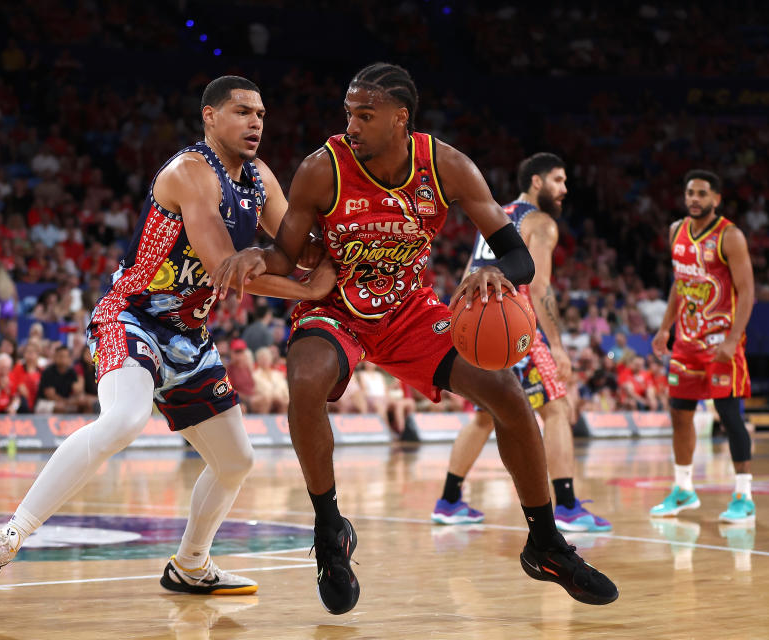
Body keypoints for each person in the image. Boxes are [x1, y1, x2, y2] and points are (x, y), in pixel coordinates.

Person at [213, 63, 617, 613]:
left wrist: (496, 271)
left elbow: (517, 253)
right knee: (304, 382)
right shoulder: (321, 168)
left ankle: (545, 543)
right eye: (348, 113)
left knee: (508, 394)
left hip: (411, 313)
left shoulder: (446, 166)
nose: (351, 125)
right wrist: (254, 255)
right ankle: (330, 531)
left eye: (365, 114)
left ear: (400, 118)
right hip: (339, 307)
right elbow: (284, 256)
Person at [0, 76, 335, 597]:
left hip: (189, 336)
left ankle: (190, 566)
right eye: (242, 111)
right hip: (130, 316)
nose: (255, 123)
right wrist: (307, 290)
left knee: (236, 461)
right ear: (210, 117)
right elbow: (224, 265)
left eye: (261, 114)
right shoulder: (190, 173)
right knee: (125, 419)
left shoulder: (260, 177)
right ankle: (7, 537)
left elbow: (299, 248)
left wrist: (339, 249)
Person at [433, 153, 612, 533]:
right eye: (558, 180)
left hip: (481, 327)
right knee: (557, 409)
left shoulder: (493, 214)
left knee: (484, 416)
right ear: (536, 182)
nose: (565, 189)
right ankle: (565, 506)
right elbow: (540, 287)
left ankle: (449, 501)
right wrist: (558, 346)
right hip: (517, 328)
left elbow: (469, 275)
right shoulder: (541, 222)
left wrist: (460, 332)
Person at [650, 169, 756, 523]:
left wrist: (732, 339)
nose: (694, 198)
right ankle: (683, 489)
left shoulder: (730, 236)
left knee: (729, 416)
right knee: (679, 415)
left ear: (716, 199)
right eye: (690, 192)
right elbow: (680, 286)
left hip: (720, 345)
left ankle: (744, 495)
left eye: (702, 193)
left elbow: (748, 292)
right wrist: (665, 329)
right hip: (686, 343)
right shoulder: (674, 232)